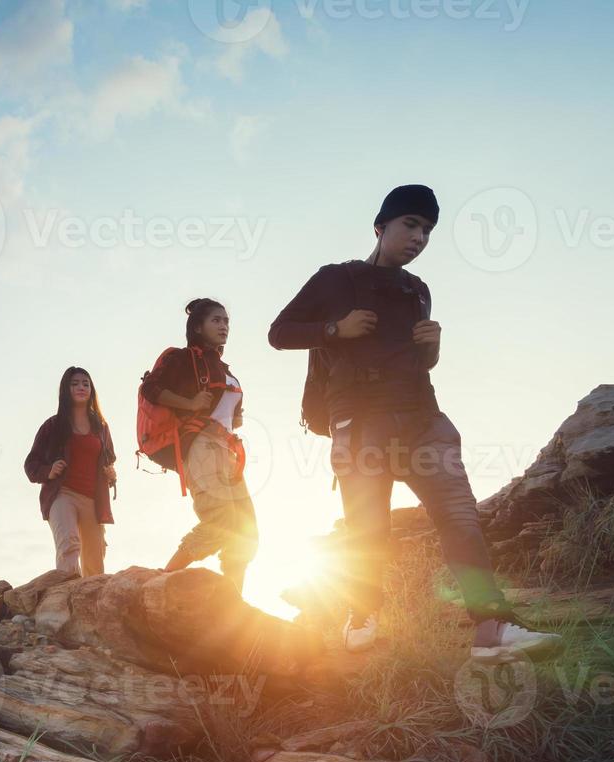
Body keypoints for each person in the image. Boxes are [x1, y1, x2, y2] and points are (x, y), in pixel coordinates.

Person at [269, 185, 561, 663]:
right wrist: (332, 330)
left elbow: (417, 364)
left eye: (426, 230)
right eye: (410, 225)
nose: (419, 237)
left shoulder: (417, 289)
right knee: (369, 532)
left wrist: (433, 346)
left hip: (424, 420)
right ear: (380, 227)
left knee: (460, 517)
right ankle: (362, 615)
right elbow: (278, 333)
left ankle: (492, 629)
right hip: (361, 424)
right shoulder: (336, 279)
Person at [141, 298, 257, 595]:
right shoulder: (183, 358)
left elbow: (234, 415)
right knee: (220, 520)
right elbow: (151, 388)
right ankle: (163, 578)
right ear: (197, 326)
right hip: (202, 445)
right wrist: (189, 403)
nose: (223, 326)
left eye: (226, 321)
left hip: (229, 451)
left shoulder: (224, 368)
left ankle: (233, 602)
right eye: (216, 320)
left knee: (246, 532)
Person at [24, 367, 118, 577]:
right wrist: (48, 471)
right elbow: (30, 465)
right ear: (66, 389)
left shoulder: (101, 427)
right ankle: (64, 603)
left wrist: (111, 475)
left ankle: (92, 606)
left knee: (95, 558)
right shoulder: (53, 426)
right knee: (69, 545)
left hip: (93, 500)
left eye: (86, 383)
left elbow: (108, 459)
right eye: (75, 383)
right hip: (62, 494)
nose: (81, 387)